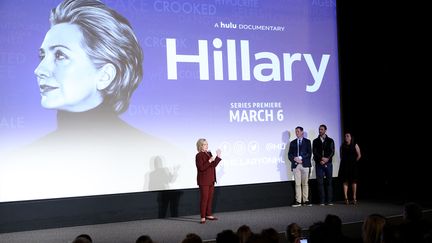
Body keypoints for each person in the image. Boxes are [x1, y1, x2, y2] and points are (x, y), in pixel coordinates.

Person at [0, 0, 185, 201]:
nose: (39, 70)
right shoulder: (19, 162)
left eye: (60, 55)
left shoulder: (160, 152)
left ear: (105, 75)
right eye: (42, 55)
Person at [195, 138, 222, 224]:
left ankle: (208, 214)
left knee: (210, 198)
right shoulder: (198, 155)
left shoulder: (209, 153)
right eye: (205, 144)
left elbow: (213, 165)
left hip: (211, 179)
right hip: (204, 181)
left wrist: (218, 156)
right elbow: (201, 168)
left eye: (207, 144)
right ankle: (203, 217)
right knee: (204, 198)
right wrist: (210, 160)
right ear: (200, 146)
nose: (207, 146)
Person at [288, 126, 312, 207]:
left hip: (305, 164)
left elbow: (309, 153)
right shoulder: (293, 142)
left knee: (305, 183)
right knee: (297, 184)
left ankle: (306, 200)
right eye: (296, 131)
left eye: (298, 131)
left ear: (302, 132)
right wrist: (295, 158)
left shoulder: (307, 142)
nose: (296, 133)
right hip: (296, 165)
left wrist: (301, 158)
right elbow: (289, 155)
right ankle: (298, 201)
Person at [312, 124, 335, 206]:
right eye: (319, 129)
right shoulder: (315, 141)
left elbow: (332, 151)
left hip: (328, 163)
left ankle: (329, 201)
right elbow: (314, 152)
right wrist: (321, 159)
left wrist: (327, 159)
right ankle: (322, 201)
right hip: (319, 164)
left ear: (325, 130)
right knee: (320, 183)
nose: (320, 131)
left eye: (321, 129)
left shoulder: (330, 140)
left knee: (329, 182)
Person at [338, 132, 361, 205]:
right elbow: (341, 155)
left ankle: (354, 197)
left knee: (354, 181)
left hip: (352, 165)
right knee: (345, 181)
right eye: (345, 136)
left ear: (351, 137)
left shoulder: (355, 145)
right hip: (344, 165)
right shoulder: (342, 145)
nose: (346, 137)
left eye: (347, 136)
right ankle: (346, 198)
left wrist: (354, 162)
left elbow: (359, 155)